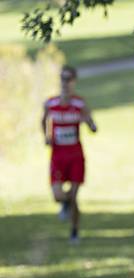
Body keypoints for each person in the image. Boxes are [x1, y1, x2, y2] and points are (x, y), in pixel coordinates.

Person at [42, 66, 98, 243]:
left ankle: (74, 231)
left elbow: (93, 126)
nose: (65, 82)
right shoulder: (51, 103)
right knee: (58, 195)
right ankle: (64, 204)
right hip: (58, 156)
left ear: (74, 81)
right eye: (62, 78)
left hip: (75, 156)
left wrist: (89, 122)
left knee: (74, 196)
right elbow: (44, 119)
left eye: (68, 79)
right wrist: (47, 136)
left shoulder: (79, 104)